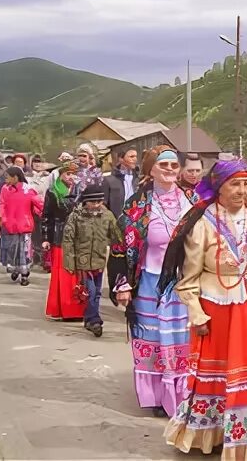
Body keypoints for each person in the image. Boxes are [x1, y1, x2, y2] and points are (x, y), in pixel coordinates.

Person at [159, 158, 247, 459]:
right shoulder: (202, 222)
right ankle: (210, 436)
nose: (241, 191)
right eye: (234, 184)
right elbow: (188, 278)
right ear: (218, 186)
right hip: (217, 309)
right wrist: (196, 313)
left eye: (245, 184)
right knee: (218, 376)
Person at [108, 146, 195, 417]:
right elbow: (120, 246)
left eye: (173, 165)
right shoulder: (136, 205)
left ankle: (183, 394)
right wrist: (122, 284)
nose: (170, 170)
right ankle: (158, 396)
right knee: (154, 338)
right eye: (163, 165)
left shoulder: (191, 200)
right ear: (150, 170)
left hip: (183, 283)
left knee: (182, 338)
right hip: (149, 282)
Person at [62, 184, 121, 337]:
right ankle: (95, 320)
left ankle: (89, 319)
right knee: (91, 291)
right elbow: (68, 239)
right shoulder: (76, 216)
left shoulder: (107, 215)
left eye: (99, 202)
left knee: (97, 293)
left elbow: (116, 235)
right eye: (93, 202)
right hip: (83, 262)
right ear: (85, 201)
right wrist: (69, 261)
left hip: (99, 260)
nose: (96, 205)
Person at [43, 161, 85, 320]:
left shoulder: (81, 191)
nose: (71, 177)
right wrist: (46, 238)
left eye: (74, 174)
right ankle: (64, 309)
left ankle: (78, 309)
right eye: (68, 173)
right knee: (64, 274)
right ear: (60, 175)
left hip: (79, 237)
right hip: (60, 236)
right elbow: (46, 217)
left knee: (78, 274)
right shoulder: (53, 192)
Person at [0, 167, 44, 286]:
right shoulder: (5, 189)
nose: (6, 179)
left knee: (25, 251)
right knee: (12, 249)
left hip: (25, 225)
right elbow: (2, 204)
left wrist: (45, 213)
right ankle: (15, 269)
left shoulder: (28, 190)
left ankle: (24, 273)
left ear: (15, 177)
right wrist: (3, 218)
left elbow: (39, 204)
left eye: (8, 177)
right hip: (10, 225)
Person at [103, 148, 139, 218]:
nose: (135, 159)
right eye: (131, 156)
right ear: (121, 159)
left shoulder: (139, 180)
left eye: (135, 156)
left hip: (136, 222)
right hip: (117, 221)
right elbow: (104, 205)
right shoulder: (110, 181)